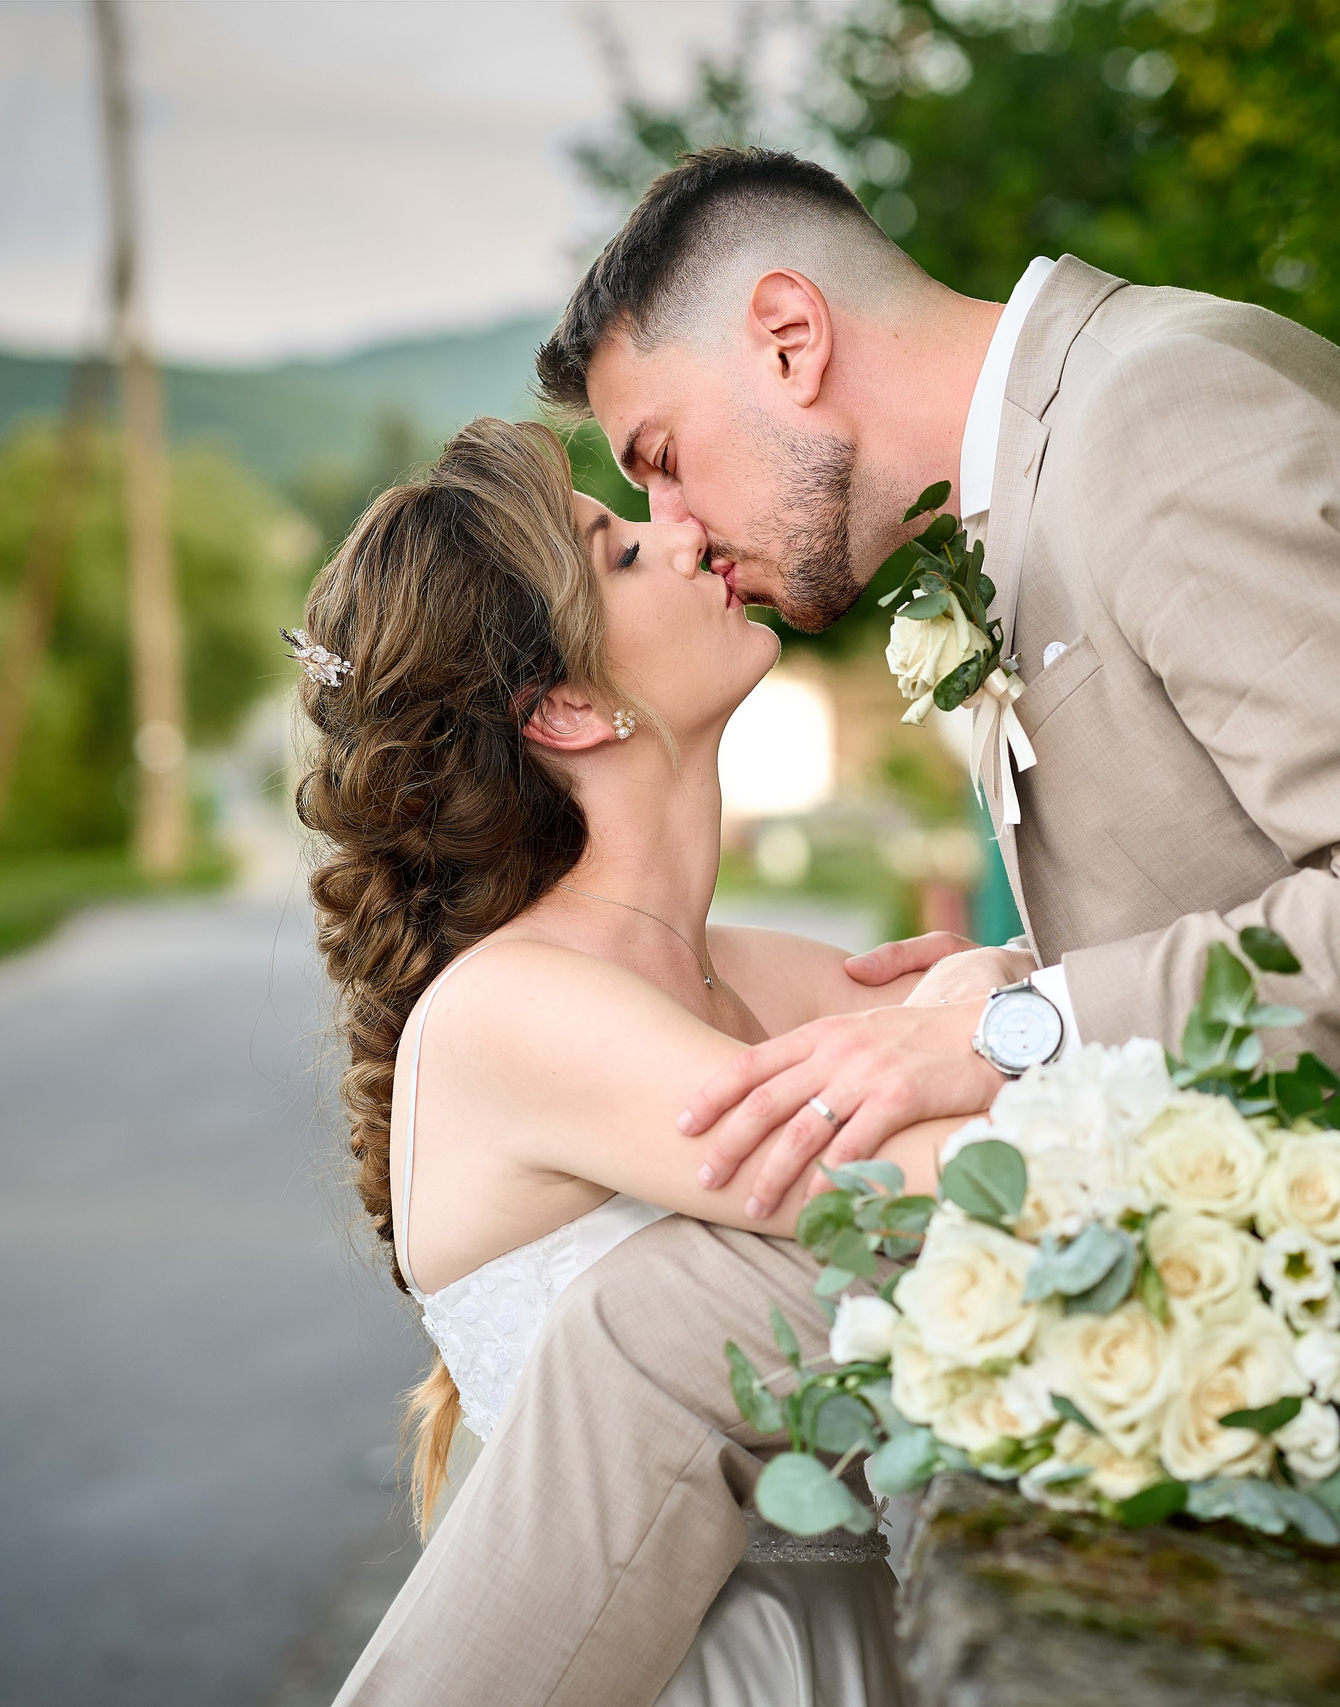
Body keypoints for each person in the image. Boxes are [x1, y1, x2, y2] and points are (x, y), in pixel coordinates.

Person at [337, 145, 1340, 1705]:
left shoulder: (1158, 424)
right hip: (1294, 1203)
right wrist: (1014, 992)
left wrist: (1018, 1016)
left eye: (663, 457)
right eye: (631, 512)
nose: (672, 518)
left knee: (652, 1323)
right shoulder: (1076, 457)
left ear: (790, 340)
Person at [298, 417, 974, 1706]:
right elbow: (960, 1181)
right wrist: (997, 1027)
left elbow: (1033, 1094)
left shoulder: (773, 973)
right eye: (617, 552)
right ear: (565, 707)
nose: (683, 538)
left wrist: (997, 998)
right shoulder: (512, 1015)